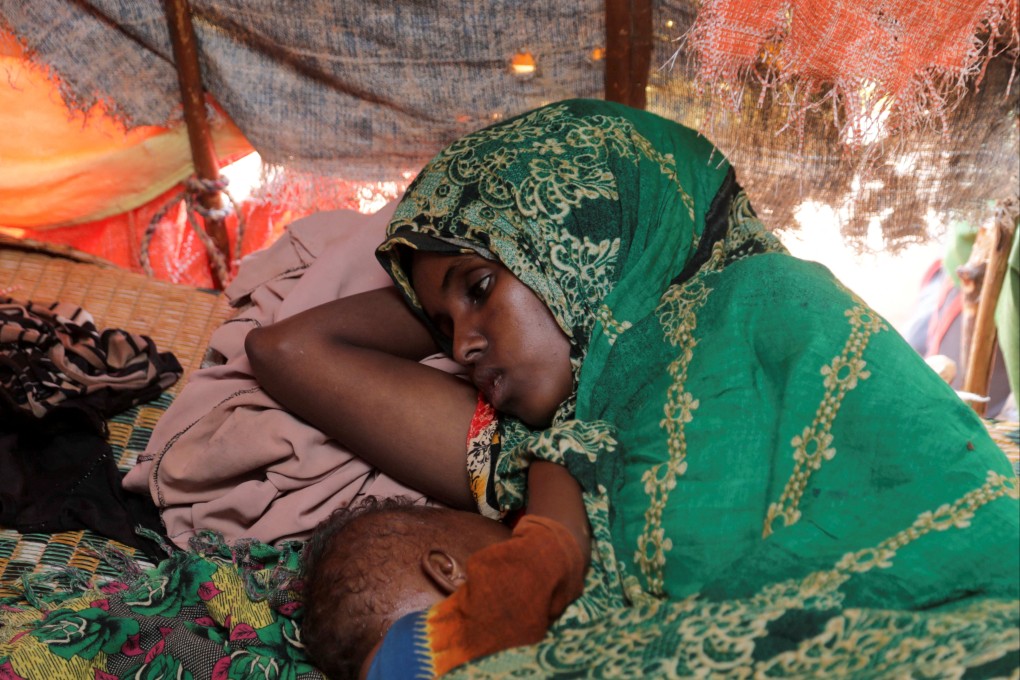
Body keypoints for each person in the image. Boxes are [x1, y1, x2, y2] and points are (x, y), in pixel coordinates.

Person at [251, 99, 1018, 675]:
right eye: (441, 326)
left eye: (478, 290)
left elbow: (952, 513)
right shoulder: (530, 447)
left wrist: (558, 280)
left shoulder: (773, 305)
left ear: (580, 237)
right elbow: (287, 349)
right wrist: (476, 293)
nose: (461, 345)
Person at [301, 461, 589, 680]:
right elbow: (554, 547)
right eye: (511, 532)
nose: (516, 526)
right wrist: (542, 459)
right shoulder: (440, 641)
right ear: (447, 571)